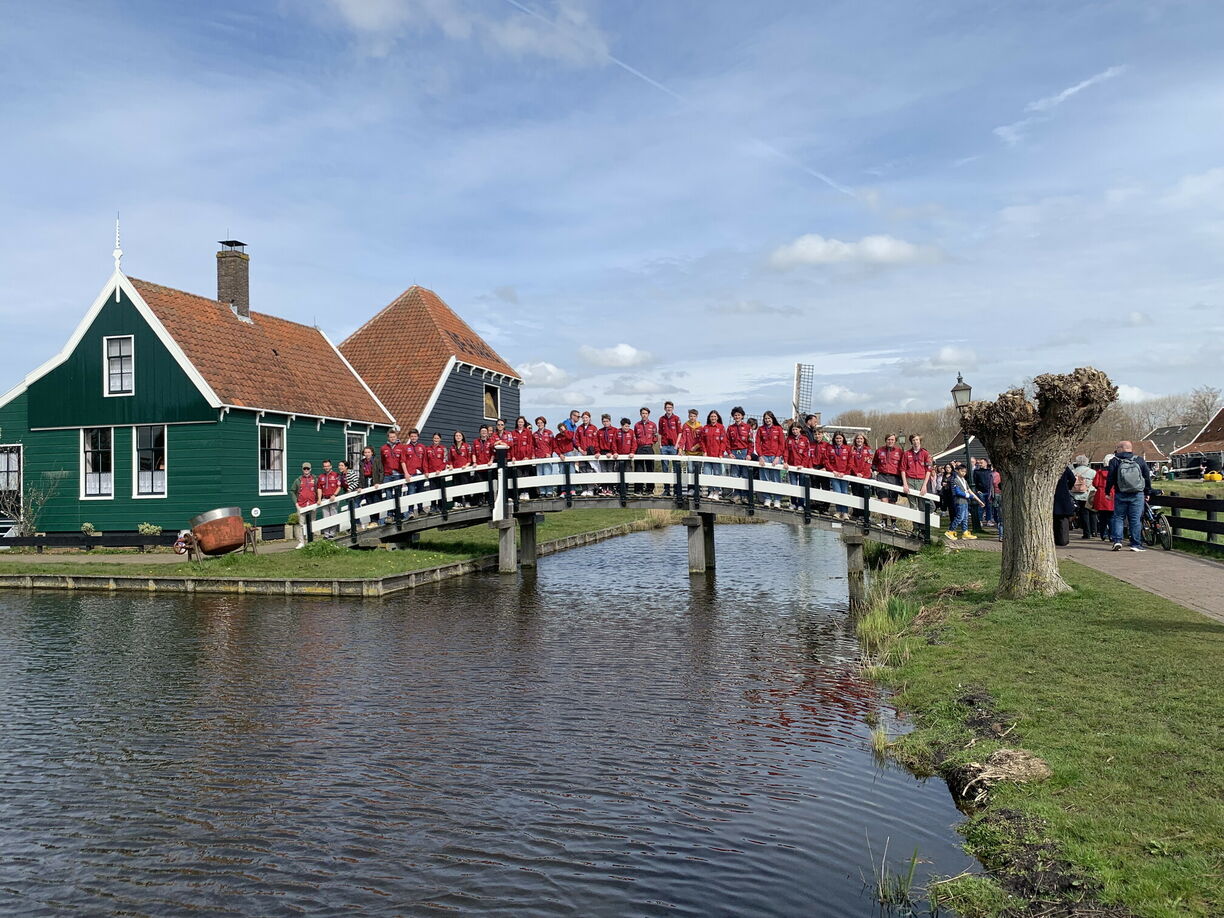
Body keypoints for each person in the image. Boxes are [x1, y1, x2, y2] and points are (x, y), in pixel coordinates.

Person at [1105, 441, 1152, 552]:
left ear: (1121, 448)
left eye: (1117, 448)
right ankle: (1135, 544)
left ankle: (1117, 541)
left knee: (1118, 517)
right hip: (1137, 494)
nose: (1116, 450)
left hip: (1120, 493)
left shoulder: (1114, 461)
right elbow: (1146, 477)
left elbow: (1110, 478)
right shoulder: (1139, 460)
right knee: (1135, 520)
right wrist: (1148, 492)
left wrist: (1107, 492)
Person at [872, 433, 904, 529]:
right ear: (886, 440)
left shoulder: (900, 452)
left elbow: (903, 466)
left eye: (892, 440)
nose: (890, 441)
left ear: (895, 441)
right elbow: (874, 464)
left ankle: (893, 523)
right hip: (882, 477)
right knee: (883, 500)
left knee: (892, 501)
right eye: (888, 439)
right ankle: (884, 522)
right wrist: (874, 472)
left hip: (894, 478)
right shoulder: (879, 451)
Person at [945, 464, 983, 540]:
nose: (964, 473)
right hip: (959, 501)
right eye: (962, 471)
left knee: (965, 518)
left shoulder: (964, 480)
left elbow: (970, 491)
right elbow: (958, 492)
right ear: (957, 471)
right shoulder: (955, 480)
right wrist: (969, 496)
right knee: (960, 517)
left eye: (965, 472)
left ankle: (965, 532)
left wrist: (979, 501)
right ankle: (950, 531)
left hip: (965, 501)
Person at [755, 410, 785, 508]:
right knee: (764, 478)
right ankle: (767, 498)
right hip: (764, 456)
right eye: (766, 418)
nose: (767, 420)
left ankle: (777, 499)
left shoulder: (778, 428)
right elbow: (757, 443)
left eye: (769, 418)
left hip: (775, 456)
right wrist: (760, 456)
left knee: (776, 478)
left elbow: (781, 444)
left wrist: (778, 456)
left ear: (772, 419)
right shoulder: (761, 429)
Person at [698, 410, 728, 500]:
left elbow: (723, 442)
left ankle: (717, 492)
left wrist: (721, 453)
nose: (713, 418)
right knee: (707, 474)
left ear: (717, 417)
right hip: (708, 455)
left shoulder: (721, 427)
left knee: (716, 474)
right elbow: (702, 441)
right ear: (709, 418)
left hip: (717, 455)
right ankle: (711, 490)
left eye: (715, 416)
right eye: (711, 417)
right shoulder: (705, 428)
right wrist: (704, 451)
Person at [824, 431, 854, 519]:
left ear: (843, 439)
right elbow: (826, 461)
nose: (838, 440)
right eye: (837, 438)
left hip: (844, 475)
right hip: (835, 475)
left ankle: (845, 512)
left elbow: (850, 462)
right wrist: (833, 471)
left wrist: (845, 473)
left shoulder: (848, 448)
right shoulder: (830, 448)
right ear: (834, 439)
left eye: (840, 438)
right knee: (837, 492)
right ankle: (838, 511)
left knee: (844, 492)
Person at [783, 422, 812, 510]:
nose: (795, 431)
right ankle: (793, 503)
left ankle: (801, 503)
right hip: (792, 465)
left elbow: (807, 453)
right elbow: (786, 451)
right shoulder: (789, 439)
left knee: (802, 485)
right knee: (793, 485)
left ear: (800, 429)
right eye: (793, 429)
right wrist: (785, 461)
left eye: (796, 429)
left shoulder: (805, 439)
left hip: (801, 466)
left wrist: (802, 465)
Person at [677, 409, 704, 497]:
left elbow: (702, 440)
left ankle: (698, 489)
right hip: (689, 453)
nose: (692, 418)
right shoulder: (685, 425)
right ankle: (691, 489)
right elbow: (683, 438)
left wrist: (697, 446)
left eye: (694, 416)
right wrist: (680, 448)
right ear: (688, 416)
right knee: (690, 470)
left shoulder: (700, 427)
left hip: (698, 453)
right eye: (691, 416)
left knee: (697, 471)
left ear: (697, 417)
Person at [726, 407, 752, 497]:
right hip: (734, 452)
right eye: (735, 415)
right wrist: (729, 453)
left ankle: (745, 495)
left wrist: (749, 454)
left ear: (742, 416)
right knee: (735, 474)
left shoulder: (748, 427)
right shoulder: (730, 428)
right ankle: (736, 494)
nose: (737, 417)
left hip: (744, 452)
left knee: (745, 474)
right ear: (733, 417)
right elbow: (727, 442)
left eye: (739, 415)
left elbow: (751, 442)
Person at [1070, 454, 1097, 539]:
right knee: (1092, 513)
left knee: (1083, 513)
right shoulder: (1092, 472)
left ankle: (1086, 532)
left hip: (1078, 494)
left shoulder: (1074, 472)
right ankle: (1094, 531)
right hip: (1090, 493)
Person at [633, 407, 658, 495]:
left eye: (646, 413)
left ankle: (650, 489)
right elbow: (635, 436)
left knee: (650, 468)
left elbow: (655, 437)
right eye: (643, 413)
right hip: (639, 448)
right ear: (640, 414)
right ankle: (638, 489)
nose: (644, 415)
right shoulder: (637, 425)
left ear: (648, 414)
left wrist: (651, 444)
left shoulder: (653, 425)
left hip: (649, 447)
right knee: (639, 468)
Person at [658, 401, 681, 497]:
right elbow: (660, 432)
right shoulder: (661, 419)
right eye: (667, 407)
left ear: (673, 408)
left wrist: (677, 445)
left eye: (670, 407)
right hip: (664, 446)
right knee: (665, 468)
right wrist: (660, 445)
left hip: (673, 446)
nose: (669, 409)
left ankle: (676, 490)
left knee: (676, 468)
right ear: (664, 408)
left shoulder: (676, 418)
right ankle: (666, 490)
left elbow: (680, 432)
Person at [849, 433, 873, 521]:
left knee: (865, 495)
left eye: (861, 439)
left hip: (865, 476)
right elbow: (850, 462)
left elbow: (869, 463)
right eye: (857, 438)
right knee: (856, 494)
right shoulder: (851, 449)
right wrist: (856, 473)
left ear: (864, 440)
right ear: (855, 440)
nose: (859, 440)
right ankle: (856, 514)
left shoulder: (869, 450)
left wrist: (862, 473)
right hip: (855, 476)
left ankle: (866, 515)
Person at [291, 462, 317, 546]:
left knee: (312, 522)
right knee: (301, 524)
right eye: (304, 469)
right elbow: (292, 491)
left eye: (308, 469)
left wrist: (318, 500)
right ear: (302, 469)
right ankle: (301, 542)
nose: (306, 470)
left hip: (312, 504)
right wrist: (296, 503)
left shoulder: (315, 479)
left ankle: (311, 540)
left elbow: (319, 489)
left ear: (310, 469)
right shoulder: (298, 480)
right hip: (301, 504)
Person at [1054, 463, 1078, 546]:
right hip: (1063, 493)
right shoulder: (1064, 467)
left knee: (1054, 518)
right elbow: (1073, 479)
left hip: (1053, 494)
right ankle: (1063, 539)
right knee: (1063, 518)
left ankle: (1057, 539)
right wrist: (1068, 486)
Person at [423, 432, 448, 511]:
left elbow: (445, 461)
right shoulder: (428, 449)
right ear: (432, 439)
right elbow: (425, 461)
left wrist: (440, 469)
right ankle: (433, 506)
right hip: (431, 473)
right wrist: (426, 471)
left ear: (440, 439)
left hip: (440, 473)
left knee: (441, 489)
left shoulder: (443, 448)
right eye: (434, 438)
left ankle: (441, 506)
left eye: (437, 438)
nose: (436, 440)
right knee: (433, 490)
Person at [533, 416, 556, 498]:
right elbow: (533, 445)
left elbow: (553, 444)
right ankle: (542, 492)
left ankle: (549, 491)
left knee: (547, 474)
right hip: (539, 457)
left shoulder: (549, 433)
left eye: (541, 423)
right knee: (540, 474)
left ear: (544, 423)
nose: (540, 424)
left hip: (547, 456)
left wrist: (549, 453)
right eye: (538, 423)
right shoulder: (535, 434)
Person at [596, 413, 618, 496]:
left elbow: (615, 443)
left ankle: (611, 488)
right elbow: (596, 443)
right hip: (602, 452)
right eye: (604, 421)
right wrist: (597, 452)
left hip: (610, 453)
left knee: (610, 470)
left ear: (610, 421)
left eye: (607, 421)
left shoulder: (614, 430)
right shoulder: (599, 431)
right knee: (603, 471)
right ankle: (604, 488)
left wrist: (612, 452)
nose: (605, 423)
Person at [450, 430, 473, 507]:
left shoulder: (467, 446)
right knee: (456, 486)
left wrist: (466, 465)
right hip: (456, 470)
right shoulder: (452, 447)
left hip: (464, 470)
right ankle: (457, 502)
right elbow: (450, 460)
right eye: (456, 436)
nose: (458, 437)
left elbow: (470, 459)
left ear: (462, 437)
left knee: (466, 485)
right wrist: (451, 465)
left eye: (459, 436)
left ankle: (467, 501)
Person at [1091, 462, 1113, 542]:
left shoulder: (1099, 473)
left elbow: (1095, 483)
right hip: (1112, 494)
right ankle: (1112, 535)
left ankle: (1103, 533)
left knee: (1102, 517)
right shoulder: (1114, 472)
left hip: (1101, 495)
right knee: (1111, 516)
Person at [553, 422, 576, 497]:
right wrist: (560, 454)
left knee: (571, 471)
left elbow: (570, 438)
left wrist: (565, 431)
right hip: (562, 455)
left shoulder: (570, 433)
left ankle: (572, 490)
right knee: (562, 472)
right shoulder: (557, 436)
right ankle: (564, 491)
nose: (561, 430)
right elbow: (555, 446)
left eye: (562, 428)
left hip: (570, 453)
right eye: (560, 429)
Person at [972, 458, 996, 527]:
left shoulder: (990, 472)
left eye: (981, 463)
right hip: (981, 492)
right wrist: (977, 490)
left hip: (989, 492)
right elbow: (974, 482)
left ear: (986, 463)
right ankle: (980, 520)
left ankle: (989, 520)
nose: (980, 464)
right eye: (979, 463)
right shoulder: (976, 472)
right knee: (981, 507)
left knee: (989, 507)